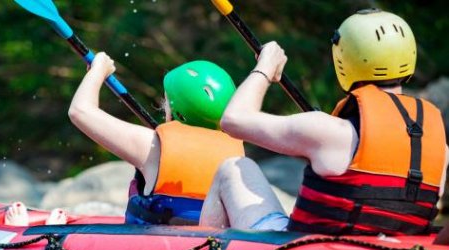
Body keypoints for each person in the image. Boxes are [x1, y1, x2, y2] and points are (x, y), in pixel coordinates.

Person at [200, 8, 449, 236]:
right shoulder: (439, 147)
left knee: (232, 168)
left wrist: (265, 67)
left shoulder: (331, 131)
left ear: (345, 58)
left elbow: (233, 120)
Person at [68, 52, 244, 225]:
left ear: (177, 112)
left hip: (163, 249)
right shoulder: (237, 155)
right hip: (214, 248)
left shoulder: (154, 145)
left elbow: (80, 111)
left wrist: (98, 70)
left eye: (166, 101)